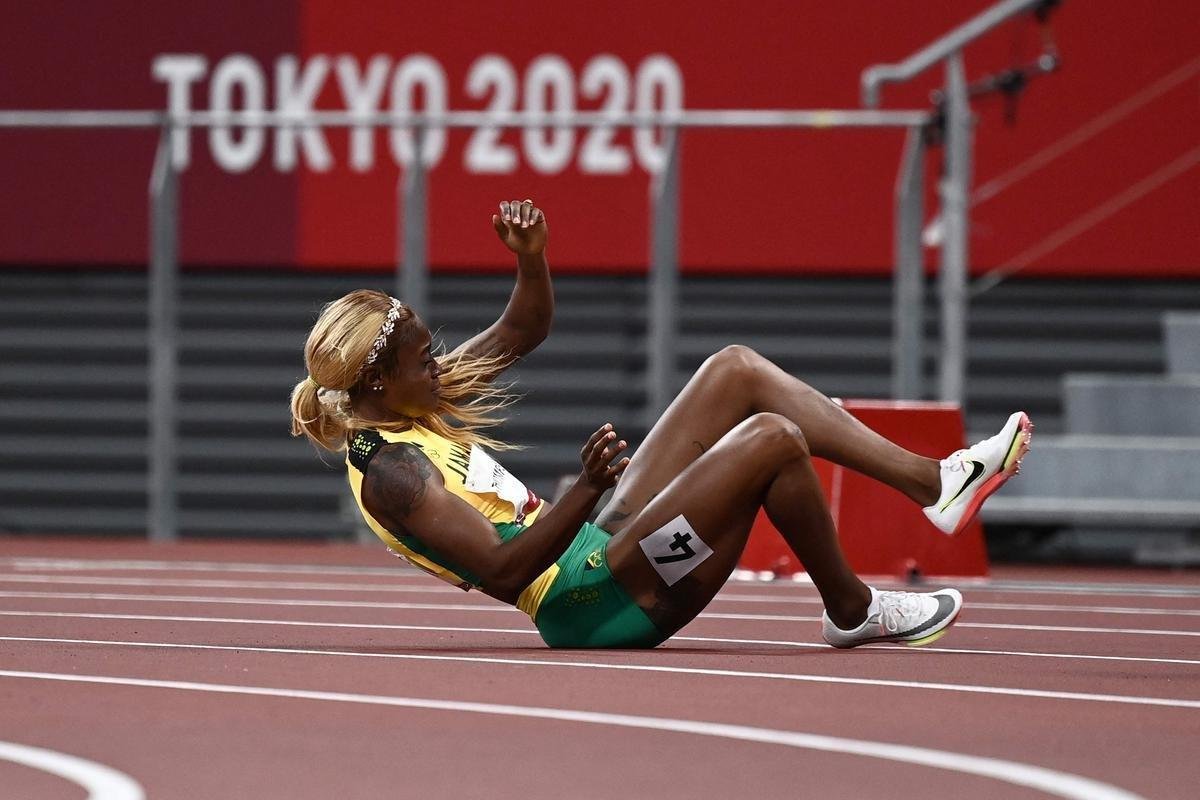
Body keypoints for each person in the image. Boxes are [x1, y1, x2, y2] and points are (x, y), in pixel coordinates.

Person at [290, 199, 1032, 650]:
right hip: (594, 605)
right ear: (379, 383)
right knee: (773, 440)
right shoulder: (392, 472)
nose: (440, 366)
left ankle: (935, 482)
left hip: (597, 550)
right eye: (426, 361)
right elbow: (505, 570)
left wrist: (532, 261)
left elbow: (525, 327)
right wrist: (584, 488)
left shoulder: (410, 398)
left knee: (735, 368)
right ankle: (854, 608)